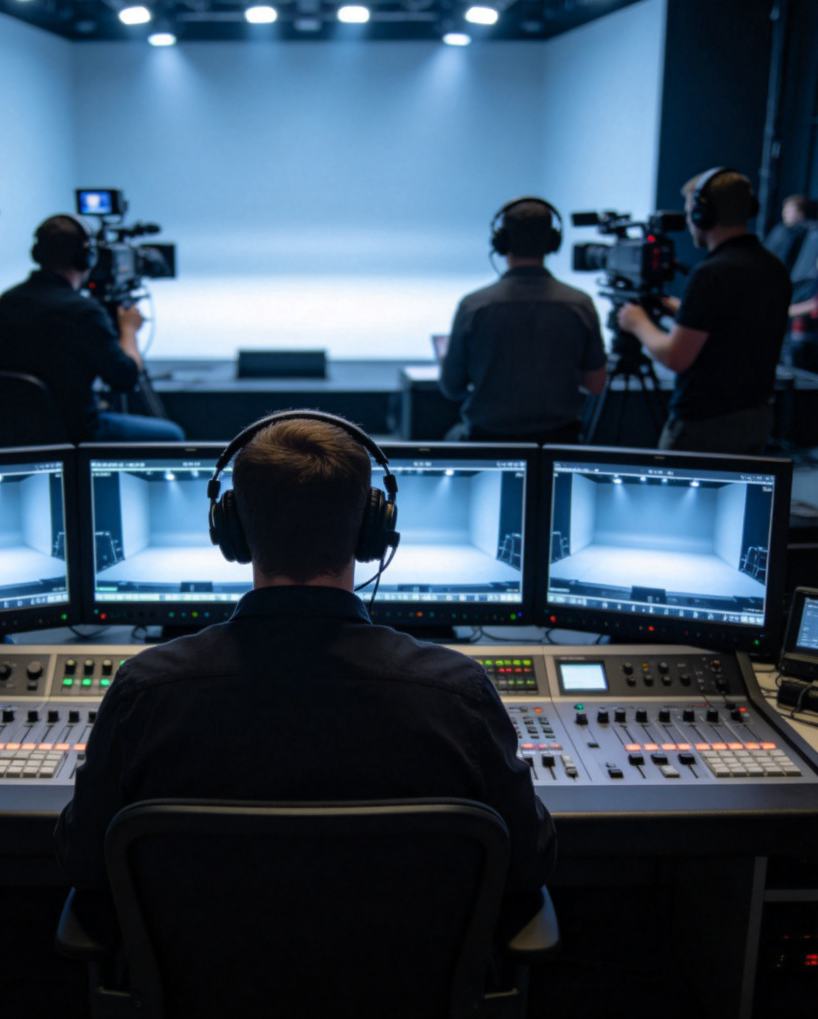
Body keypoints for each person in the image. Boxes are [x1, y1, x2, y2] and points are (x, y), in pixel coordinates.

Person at [55, 411, 555, 930]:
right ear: (371, 530)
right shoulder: (457, 695)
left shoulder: (146, 691)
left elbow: (84, 862)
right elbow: (527, 864)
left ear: (234, 532)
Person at [618, 168, 792, 454]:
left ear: (702, 214)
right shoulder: (772, 267)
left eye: (690, 212)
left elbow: (676, 357)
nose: (688, 220)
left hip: (704, 425)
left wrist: (637, 323)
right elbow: (735, 325)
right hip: (755, 417)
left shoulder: (711, 274)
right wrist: (683, 311)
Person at [0, 214, 184, 442]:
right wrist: (128, 330)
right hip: (77, 432)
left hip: (15, 432)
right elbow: (125, 377)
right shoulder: (83, 312)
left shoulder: (6, 301)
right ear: (86, 258)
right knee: (172, 435)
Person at [439, 197, 606, 443]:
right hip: (558, 445)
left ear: (501, 242)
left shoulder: (474, 306)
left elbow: (452, 388)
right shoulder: (579, 304)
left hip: (485, 442)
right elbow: (596, 384)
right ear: (552, 242)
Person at [762, 194, 813, 269]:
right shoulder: (780, 229)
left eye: (789, 210)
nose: (784, 213)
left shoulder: (809, 233)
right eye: (784, 209)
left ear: (800, 213)